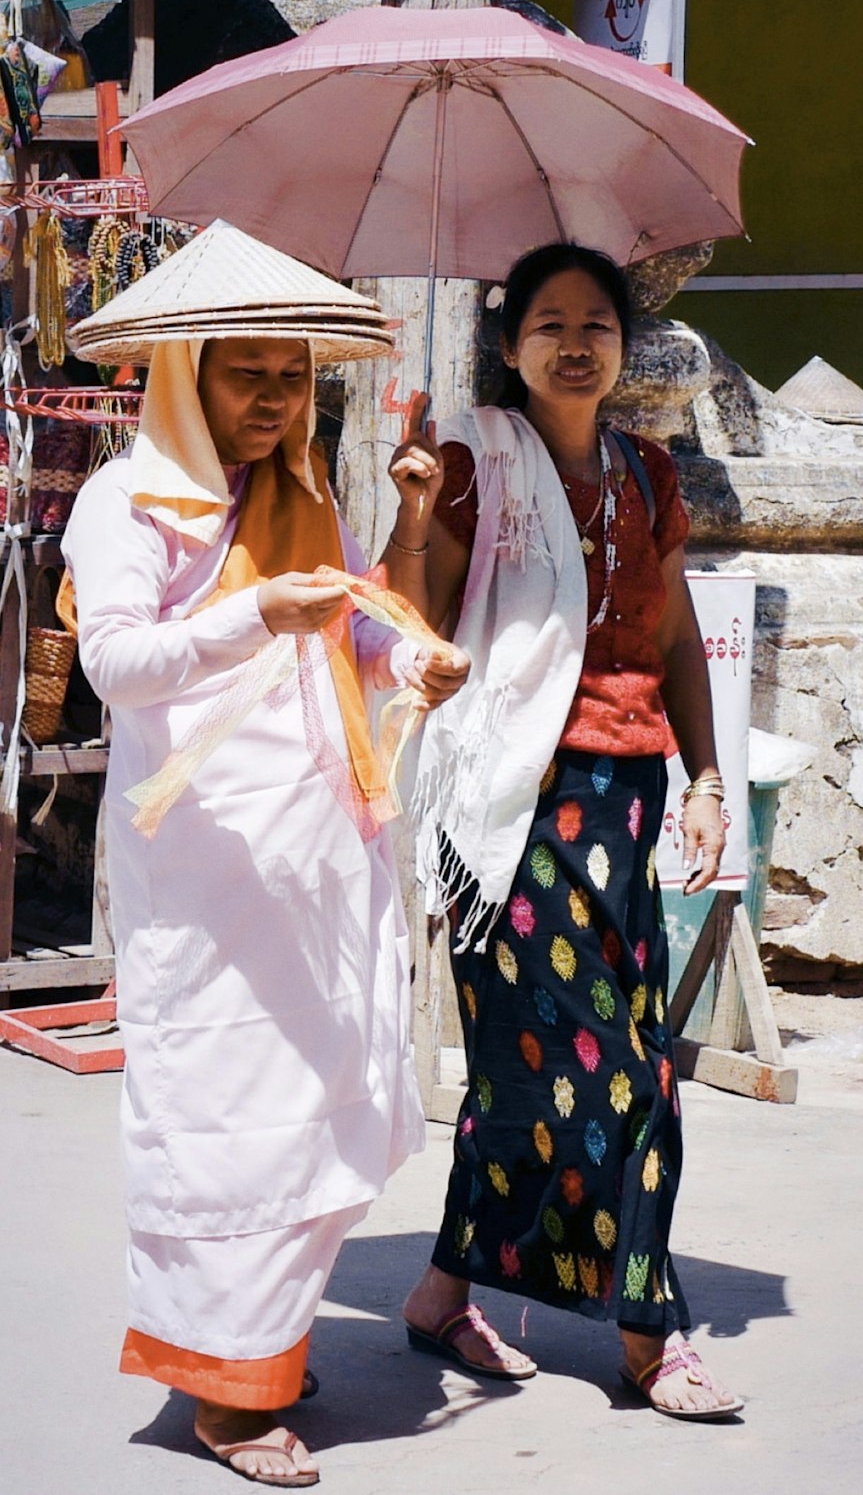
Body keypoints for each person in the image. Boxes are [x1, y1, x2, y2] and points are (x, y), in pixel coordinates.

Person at [61, 311, 469, 1487]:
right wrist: (251, 613)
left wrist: (408, 661)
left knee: (316, 1106)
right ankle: (224, 1398)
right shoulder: (128, 503)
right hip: (205, 870)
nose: (278, 399)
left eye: (294, 379)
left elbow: (336, 640)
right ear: (189, 379)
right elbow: (117, 666)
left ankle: (267, 1351)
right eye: (249, 375)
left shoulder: (303, 502)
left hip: (318, 855)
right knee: (225, 1122)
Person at [383, 242, 743, 1420]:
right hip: (510, 808)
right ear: (507, 343)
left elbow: (677, 641)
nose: (575, 340)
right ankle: (652, 1331)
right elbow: (417, 616)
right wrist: (409, 510)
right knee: (630, 1076)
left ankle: (443, 1291)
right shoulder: (472, 462)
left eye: (597, 321)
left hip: (626, 801)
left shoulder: (647, 478)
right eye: (549, 321)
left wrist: (703, 778)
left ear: (623, 347)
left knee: (521, 1072)